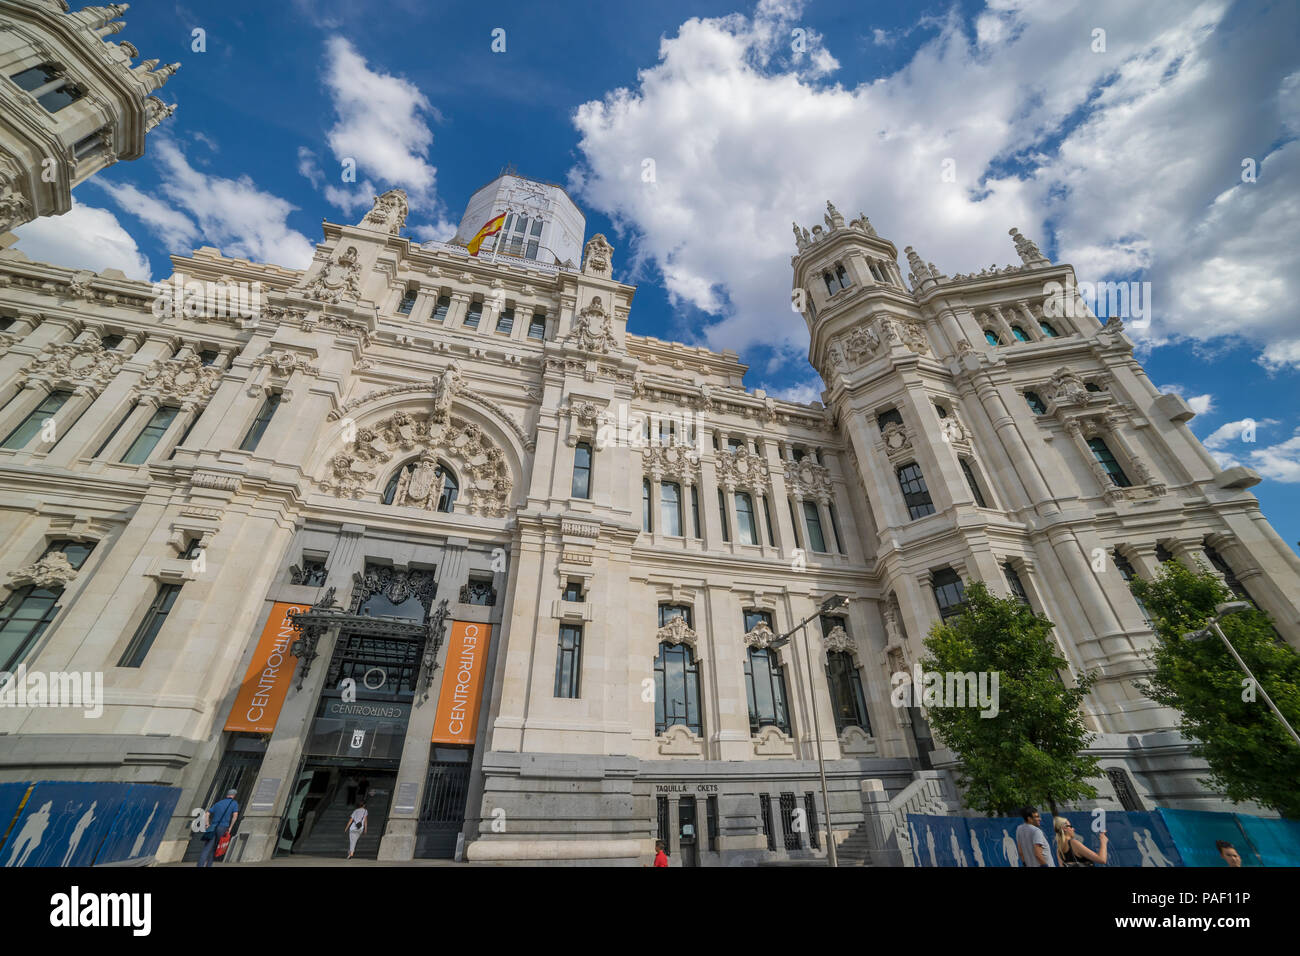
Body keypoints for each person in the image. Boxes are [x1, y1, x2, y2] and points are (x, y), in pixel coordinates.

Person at [197, 789, 239, 868]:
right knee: (215, 849)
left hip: (213, 827)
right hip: (223, 828)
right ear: (234, 795)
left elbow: (207, 813)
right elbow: (235, 816)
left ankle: (200, 865)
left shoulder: (218, 803)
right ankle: (209, 865)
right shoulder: (234, 803)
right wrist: (230, 827)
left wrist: (207, 824)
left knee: (207, 848)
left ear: (227, 794)